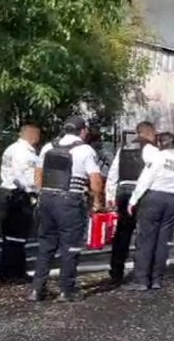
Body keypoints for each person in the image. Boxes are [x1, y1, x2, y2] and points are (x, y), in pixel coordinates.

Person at [28, 116, 104, 302]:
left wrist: (40, 194)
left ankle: (37, 289)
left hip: (46, 199)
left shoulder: (48, 147)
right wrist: (97, 202)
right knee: (70, 247)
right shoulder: (85, 150)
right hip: (70, 201)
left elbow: (38, 174)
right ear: (82, 131)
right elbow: (95, 180)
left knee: (45, 246)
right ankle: (66, 290)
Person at [124, 133, 174, 291]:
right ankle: (157, 279)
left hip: (154, 198)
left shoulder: (157, 158)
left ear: (160, 144)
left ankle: (141, 279)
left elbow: (145, 180)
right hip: (172, 200)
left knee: (146, 239)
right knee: (163, 241)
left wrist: (133, 200)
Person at [105, 121, 159, 284]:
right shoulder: (151, 150)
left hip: (122, 192)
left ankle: (116, 272)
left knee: (122, 234)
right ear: (150, 133)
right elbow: (155, 173)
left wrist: (110, 196)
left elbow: (113, 174)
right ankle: (142, 272)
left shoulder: (124, 149)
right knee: (144, 235)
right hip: (141, 194)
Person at [0, 124, 41, 283]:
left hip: (7, 193)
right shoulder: (24, 153)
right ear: (32, 135)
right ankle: (14, 273)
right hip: (18, 195)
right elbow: (20, 176)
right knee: (17, 237)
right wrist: (32, 191)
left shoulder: (11, 148)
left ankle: (8, 271)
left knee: (9, 238)